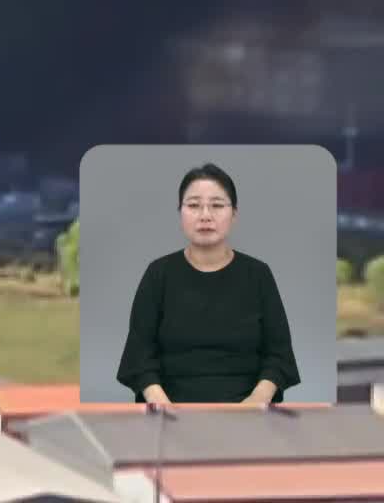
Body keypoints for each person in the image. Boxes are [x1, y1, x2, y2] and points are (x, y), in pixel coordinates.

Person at [115, 162, 301, 406]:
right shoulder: (158, 274)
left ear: (234, 213)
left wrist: (254, 404)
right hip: (171, 414)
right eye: (193, 205)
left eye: (217, 205)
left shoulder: (258, 275)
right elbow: (139, 357)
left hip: (248, 414)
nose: (205, 215)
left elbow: (279, 357)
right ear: (180, 212)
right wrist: (163, 405)